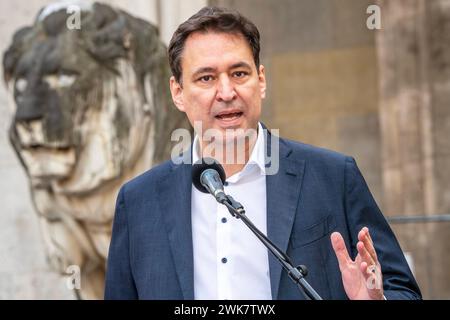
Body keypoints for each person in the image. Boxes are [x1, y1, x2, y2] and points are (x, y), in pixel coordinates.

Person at [104, 6, 421, 300]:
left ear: (261, 80)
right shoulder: (138, 202)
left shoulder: (333, 177)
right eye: (206, 78)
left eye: (239, 73)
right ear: (178, 92)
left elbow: (401, 288)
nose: (227, 93)